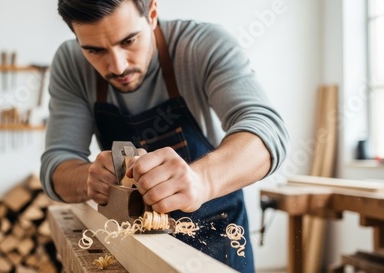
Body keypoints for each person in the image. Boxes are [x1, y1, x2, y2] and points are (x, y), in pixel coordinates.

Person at [40, 0, 289, 271]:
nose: (118, 66)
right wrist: (90, 178)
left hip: (217, 244)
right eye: (94, 50)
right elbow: (57, 163)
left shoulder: (202, 45)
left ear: (152, 14)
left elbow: (267, 130)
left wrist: (201, 180)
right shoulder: (70, 64)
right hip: (131, 250)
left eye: (129, 41)